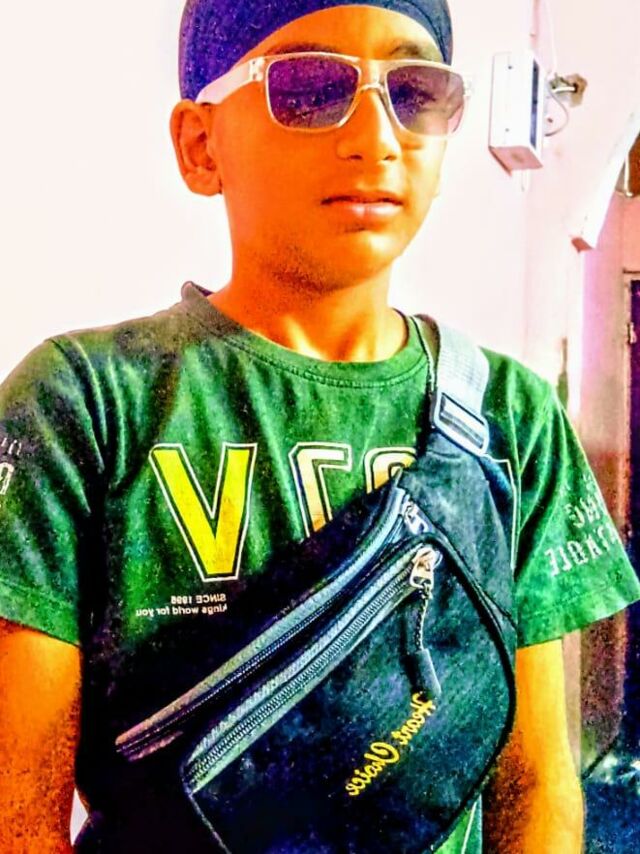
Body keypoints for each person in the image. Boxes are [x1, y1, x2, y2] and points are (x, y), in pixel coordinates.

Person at [1, 0, 639, 851]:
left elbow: (533, 785)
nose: (376, 136)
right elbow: (18, 812)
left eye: (414, 92)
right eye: (309, 89)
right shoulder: (83, 402)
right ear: (201, 145)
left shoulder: (509, 417)